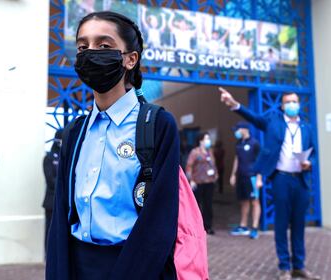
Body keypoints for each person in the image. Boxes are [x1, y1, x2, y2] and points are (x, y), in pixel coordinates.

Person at [46, 11, 180, 280]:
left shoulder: (157, 124)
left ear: (130, 59)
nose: (90, 53)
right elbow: (61, 215)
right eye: (83, 46)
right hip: (77, 265)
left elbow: (160, 220)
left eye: (104, 46)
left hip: (135, 266)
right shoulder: (73, 132)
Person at [219, 87, 320, 280]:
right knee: (281, 225)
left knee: (299, 225)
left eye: (295, 101)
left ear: (298, 104)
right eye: (288, 102)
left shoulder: (307, 127)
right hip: (280, 178)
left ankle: (299, 265)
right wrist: (234, 105)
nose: (292, 105)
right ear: (282, 106)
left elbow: (314, 152)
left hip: (300, 180)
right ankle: (284, 267)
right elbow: (254, 117)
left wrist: (310, 163)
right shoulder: (273, 122)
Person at [229, 122, 261, 239]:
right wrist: (233, 174)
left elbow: (259, 162)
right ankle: (243, 226)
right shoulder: (238, 143)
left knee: (255, 201)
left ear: (244, 129)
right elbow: (236, 159)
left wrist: (259, 178)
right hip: (241, 177)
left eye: (237, 130)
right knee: (244, 201)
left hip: (252, 177)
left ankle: (255, 227)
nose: (235, 132)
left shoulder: (255, 143)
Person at [186, 132, 218, 235]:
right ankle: (197, 226)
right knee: (197, 205)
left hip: (209, 182)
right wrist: (190, 180)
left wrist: (215, 174)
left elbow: (213, 164)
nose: (208, 141)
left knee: (208, 205)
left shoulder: (210, 152)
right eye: (206, 139)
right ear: (201, 141)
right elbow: (189, 166)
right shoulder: (195, 152)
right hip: (198, 183)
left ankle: (208, 226)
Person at [42, 129, 63, 256]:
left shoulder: (66, 156)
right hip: (51, 201)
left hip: (63, 202)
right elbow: (50, 180)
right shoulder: (49, 158)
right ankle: (48, 255)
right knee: (50, 230)